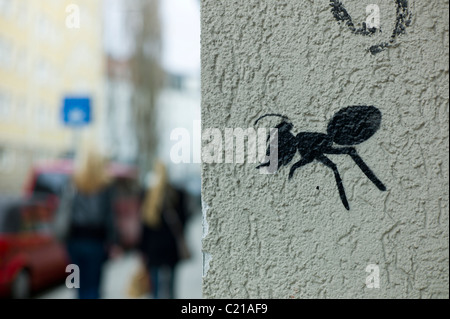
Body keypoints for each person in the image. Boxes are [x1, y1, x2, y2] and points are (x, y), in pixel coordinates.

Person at [58, 147, 120, 299]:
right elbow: (109, 217)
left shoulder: (73, 182)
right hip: (96, 243)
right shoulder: (105, 185)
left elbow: (65, 210)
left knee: (77, 285)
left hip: (74, 242)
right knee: (94, 287)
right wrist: (114, 242)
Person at [138, 161, 189, 299]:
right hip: (171, 246)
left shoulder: (148, 195)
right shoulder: (177, 194)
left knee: (155, 286)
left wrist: (142, 249)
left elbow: (145, 226)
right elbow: (184, 220)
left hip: (153, 248)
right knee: (171, 286)